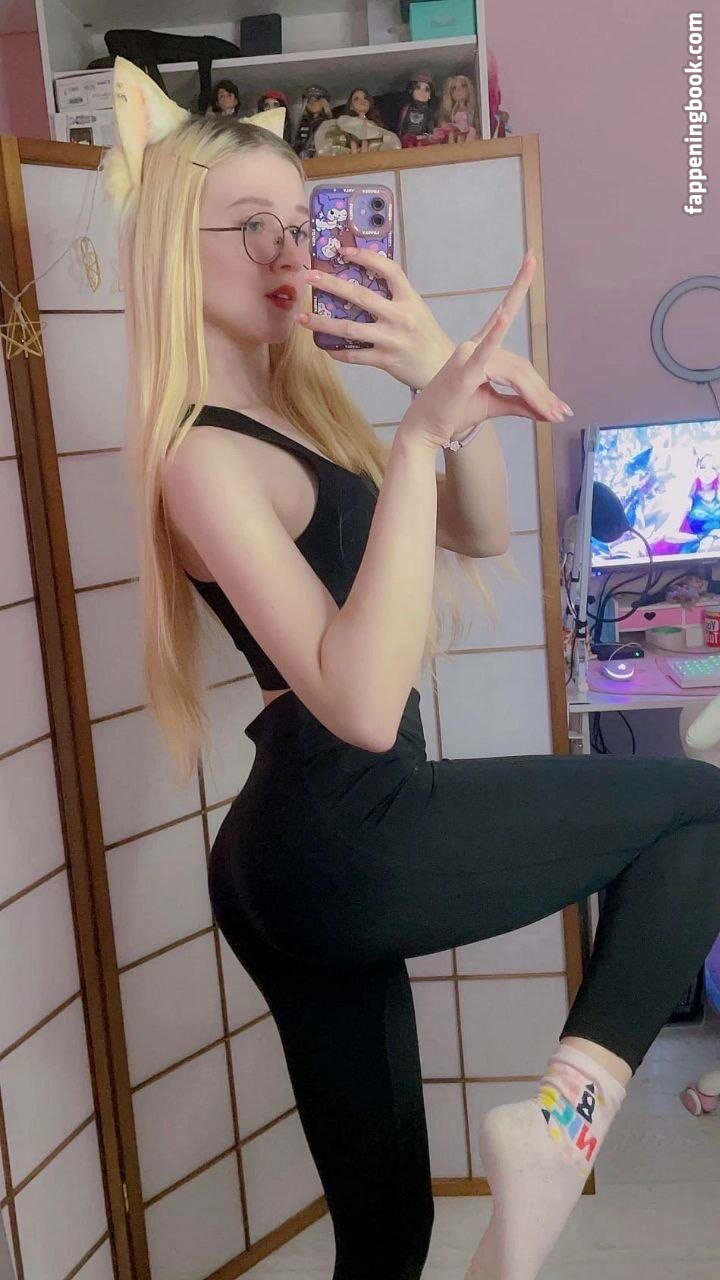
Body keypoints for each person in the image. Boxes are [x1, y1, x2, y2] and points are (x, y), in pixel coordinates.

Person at [106, 57, 720, 1280]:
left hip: (302, 846)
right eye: (253, 226)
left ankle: (544, 1143)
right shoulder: (199, 458)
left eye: (302, 223)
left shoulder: (300, 409)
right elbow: (359, 699)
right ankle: (561, 1128)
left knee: (388, 1232)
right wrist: (419, 435)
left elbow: (480, 528)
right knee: (703, 802)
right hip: (342, 825)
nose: (290, 251)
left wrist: (439, 369)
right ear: (180, 247)